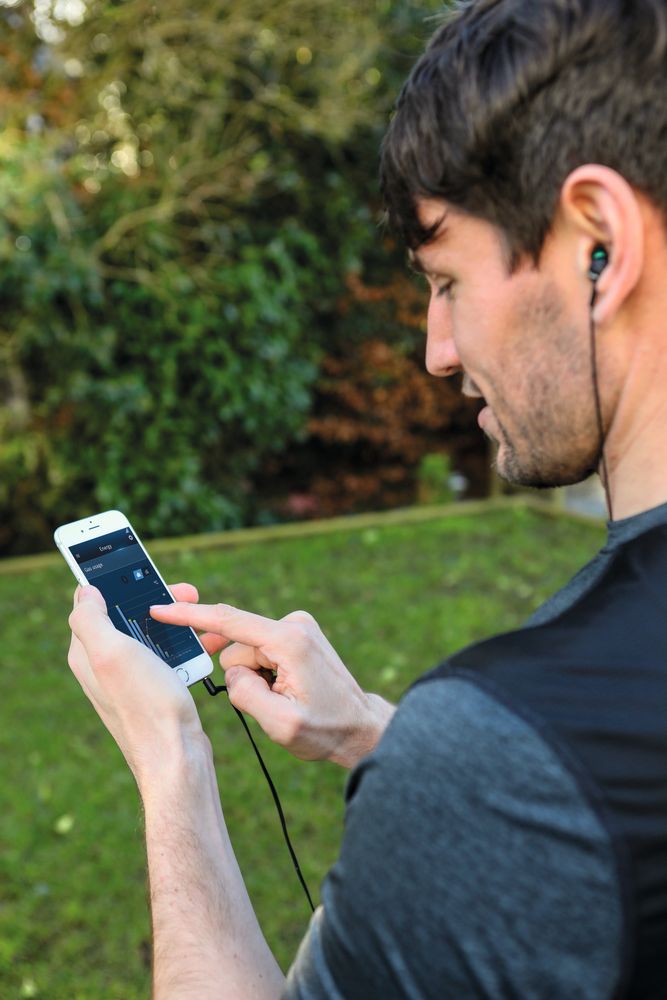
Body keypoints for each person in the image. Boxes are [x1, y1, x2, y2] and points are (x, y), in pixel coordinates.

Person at [66, 0, 667, 995]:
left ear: (596, 243)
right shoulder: (557, 753)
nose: (437, 352)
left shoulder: (516, 751)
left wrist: (170, 759)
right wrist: (376, 739)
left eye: (446, 282)